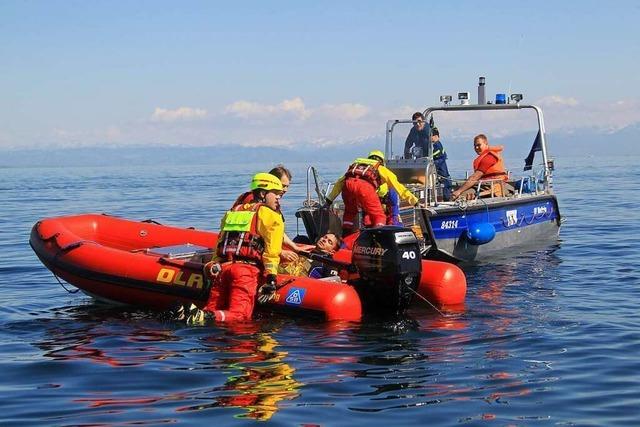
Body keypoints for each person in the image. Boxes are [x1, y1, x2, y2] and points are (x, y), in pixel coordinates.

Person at [183, 172, 285, 324]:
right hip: (245, 272)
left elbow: (221, 242)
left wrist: (215, 263)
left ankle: (194, 315)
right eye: (275, 193)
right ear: (263, 193)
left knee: (212, 308)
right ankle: (206, 317)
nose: (278, 198)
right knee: (239, 315)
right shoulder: (271, 216)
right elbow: (272, 252)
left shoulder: (233, 212)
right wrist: (271, 280)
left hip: (223, 269)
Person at [326, 150, 419, 236]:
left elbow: (340, 182)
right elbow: (398, 186)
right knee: (379, 216)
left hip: (348, 185)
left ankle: (346, 235)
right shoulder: (380, 168)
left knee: (350, 212)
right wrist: (414, 201)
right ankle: (379, 237)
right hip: (365, 188)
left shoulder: (357, 165)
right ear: (382, 161)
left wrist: (329, 199)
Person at [231, 165, 300, 263]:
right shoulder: (251, 202)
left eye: (287, 186)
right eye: (282, 185)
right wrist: (280, 252)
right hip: (249, 255)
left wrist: (294, 247)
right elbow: (250, 234)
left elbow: (273, 230)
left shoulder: (270, 201)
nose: (285, 190)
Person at [451, 134, 509, 201]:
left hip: (493, 184)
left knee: (461, 195)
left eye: (479, 145)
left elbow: (475, 177)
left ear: (486, 144)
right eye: (475, 146)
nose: (476, 148)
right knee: (458, 190)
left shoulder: (489, 157)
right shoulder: (482, 157)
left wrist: (459, 191)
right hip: (484, 184)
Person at [278, 233, 343, 279]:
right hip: (282, 277)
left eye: (329, 242)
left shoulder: (329, 263)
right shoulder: (303, 251)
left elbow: (330, 284)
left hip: (303, 288)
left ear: (332, 251)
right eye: (325, 237)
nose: (324, 240)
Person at [431, 127, 453, 201]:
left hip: (442, 172)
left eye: (431, 136)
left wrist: (430, 158)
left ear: (436, 136)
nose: (430, 138)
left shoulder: (437, 145)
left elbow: (436, 155)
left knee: (446, 186)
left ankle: (447, 200)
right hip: (442, 171)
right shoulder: (436, 145)